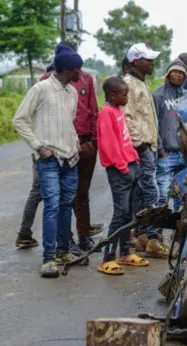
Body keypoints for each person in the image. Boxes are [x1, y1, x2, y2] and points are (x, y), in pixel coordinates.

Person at [13, 43, 83, 278]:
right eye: (77, 69)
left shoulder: (72, 92)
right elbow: (19, 120)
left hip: (69, 159)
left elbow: (69, 122)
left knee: (65, 207)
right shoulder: (40, 89)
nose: (80, 74)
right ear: (66, 68)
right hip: (48, 159)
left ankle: (63, 252)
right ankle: (48, 259)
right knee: (51, 206)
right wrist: (38, 146)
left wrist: (75, 144)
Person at [40, 45, 103, 252]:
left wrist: (93, 141)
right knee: (61, 197)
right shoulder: (46, 82)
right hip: (59, 145)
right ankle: (66, 240)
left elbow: (93, 109)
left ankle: (84, 234)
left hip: (85, 142)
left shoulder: (86, 79)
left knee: (82, 193)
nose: (78, 69)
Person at [97, 76, 148, 275]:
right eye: (124, 94)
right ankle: (108, 258)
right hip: (119, 170)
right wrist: (123, 168)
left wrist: (134, 159)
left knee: (129, 214)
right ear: (112, 94)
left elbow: (125, 140)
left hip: (130, 165)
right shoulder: (106, 113)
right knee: (120, 213)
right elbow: (109, 145)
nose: (127, 97)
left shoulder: (118, 111)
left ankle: (125, 253)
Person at [123, 43, 170, 258]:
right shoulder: (129, 85)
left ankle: (142, 236)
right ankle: (153, 238)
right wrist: (140, 143)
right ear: (135, 62)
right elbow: (127, 117)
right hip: (141, 147)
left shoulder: (140, 83)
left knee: (144, 194)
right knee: (153, 193)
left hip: (148, 146)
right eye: (147, 59)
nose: (152, 62)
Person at [152, 59, 187, 219]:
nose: (177, 75)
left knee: (183, 196)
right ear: (168, 74)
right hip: (166, 154)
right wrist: (160, 150)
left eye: (181, 73)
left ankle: (178, 233)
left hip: (184, 153)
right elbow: (153, 124)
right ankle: (155, 236)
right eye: (174, 71)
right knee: (162, 196)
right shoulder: (158, 95)